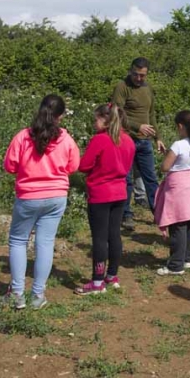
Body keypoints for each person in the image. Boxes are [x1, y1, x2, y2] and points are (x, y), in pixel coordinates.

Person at [3, 95, 80, 310]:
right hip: (56, 197)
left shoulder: (23, 136)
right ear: (61, 116)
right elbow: (73, 166)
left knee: (18, 241)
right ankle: (38, 295)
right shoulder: (65, 138)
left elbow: (10, 166)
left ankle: (17, 294)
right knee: (45, 243)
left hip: (28, 196)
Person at [74, 104, 135, 295]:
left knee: (99, 238)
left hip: (101, 193)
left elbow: (83, 166)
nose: (94, 122)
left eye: (97, 119)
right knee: (114, 234)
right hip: (120, 193)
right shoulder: (128, 141)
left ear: (105, 120)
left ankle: (97, 281)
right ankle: (111, 275)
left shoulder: (100, 140)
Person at [154, 111, 190, 276]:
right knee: (188, 224)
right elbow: (185, 162)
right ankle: (186, 259)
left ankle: (175, 265)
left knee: (177, 225)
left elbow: (165, 167)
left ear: (180, 126)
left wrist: (167, 156)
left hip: (177, 187)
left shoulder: (178, 145)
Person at [112, 57, 165, 225]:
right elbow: (116, 113)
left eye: (143, 75)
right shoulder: (122, 87)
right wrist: (137, 127)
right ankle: (126, 214)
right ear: (130, 70)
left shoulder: (148, 88)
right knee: (126, 179)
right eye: (136, 74)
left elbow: (152, 114)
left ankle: (158, 212)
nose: (139, 78)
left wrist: (158, 137)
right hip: (126, 139)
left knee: (150, 178)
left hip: (145, 142)